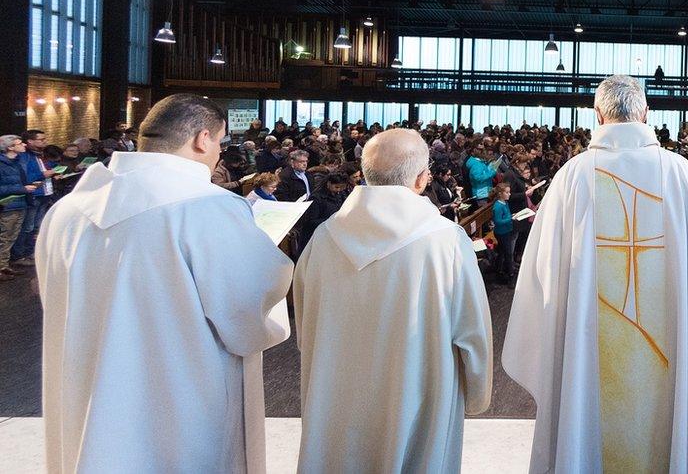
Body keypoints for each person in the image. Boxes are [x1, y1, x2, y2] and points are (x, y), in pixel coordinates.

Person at [37, 94, 294, 473]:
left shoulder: (67, 211)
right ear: (202, 139)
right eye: (220, 143)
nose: (219, 155)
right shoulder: (207, 207)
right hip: (180, 396)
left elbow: (57, 298)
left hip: (86, 388)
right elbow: (246, 311)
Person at [503, 75, 688, 473]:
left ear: (597, 115)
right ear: (646, 112)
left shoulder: (573, 176)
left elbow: (542, 273)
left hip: (589, 350)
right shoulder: (681, 174)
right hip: (671, 350)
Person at [292, 128, 492, 472]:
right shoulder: (444, 241)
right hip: (416, 391)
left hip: (338, 394)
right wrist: (477, 393)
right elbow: (471, 330)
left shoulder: (325, 237)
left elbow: (305, 320)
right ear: (420, 179)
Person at [11, 129, 55, 266]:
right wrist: (43, 175)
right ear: (30, 141)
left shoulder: (39, 155)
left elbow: (43, 168)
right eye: (41, 139)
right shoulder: (24, 157)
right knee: (28, 227)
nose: (44, 142)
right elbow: (25, 176)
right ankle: (20, 255)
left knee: (37, 226)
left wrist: (54, 172)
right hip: (34, 194)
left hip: (44, 193)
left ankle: (30, 252)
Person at [0, 135, 37, 280]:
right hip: (8, 206)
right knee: (4, 236)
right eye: (20, 143)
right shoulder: (3, 164)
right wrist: (22, 188)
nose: (24, 145)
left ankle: (4, 265)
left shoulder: (17, 162)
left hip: (21, 204)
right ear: (10, 147)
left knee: (11, 237)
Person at [491, 183, 515, 284]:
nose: (509, 194)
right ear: (500, 194)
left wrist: (511, 216)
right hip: (502, 233)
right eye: (507, 192)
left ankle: (500, 271)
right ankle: (511, 275)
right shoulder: (498, 206)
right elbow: (498, 221)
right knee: (508, 254)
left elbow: (506, 216)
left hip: (507, 230)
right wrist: (511, 218)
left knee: (502, 253)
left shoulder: (505, 202)